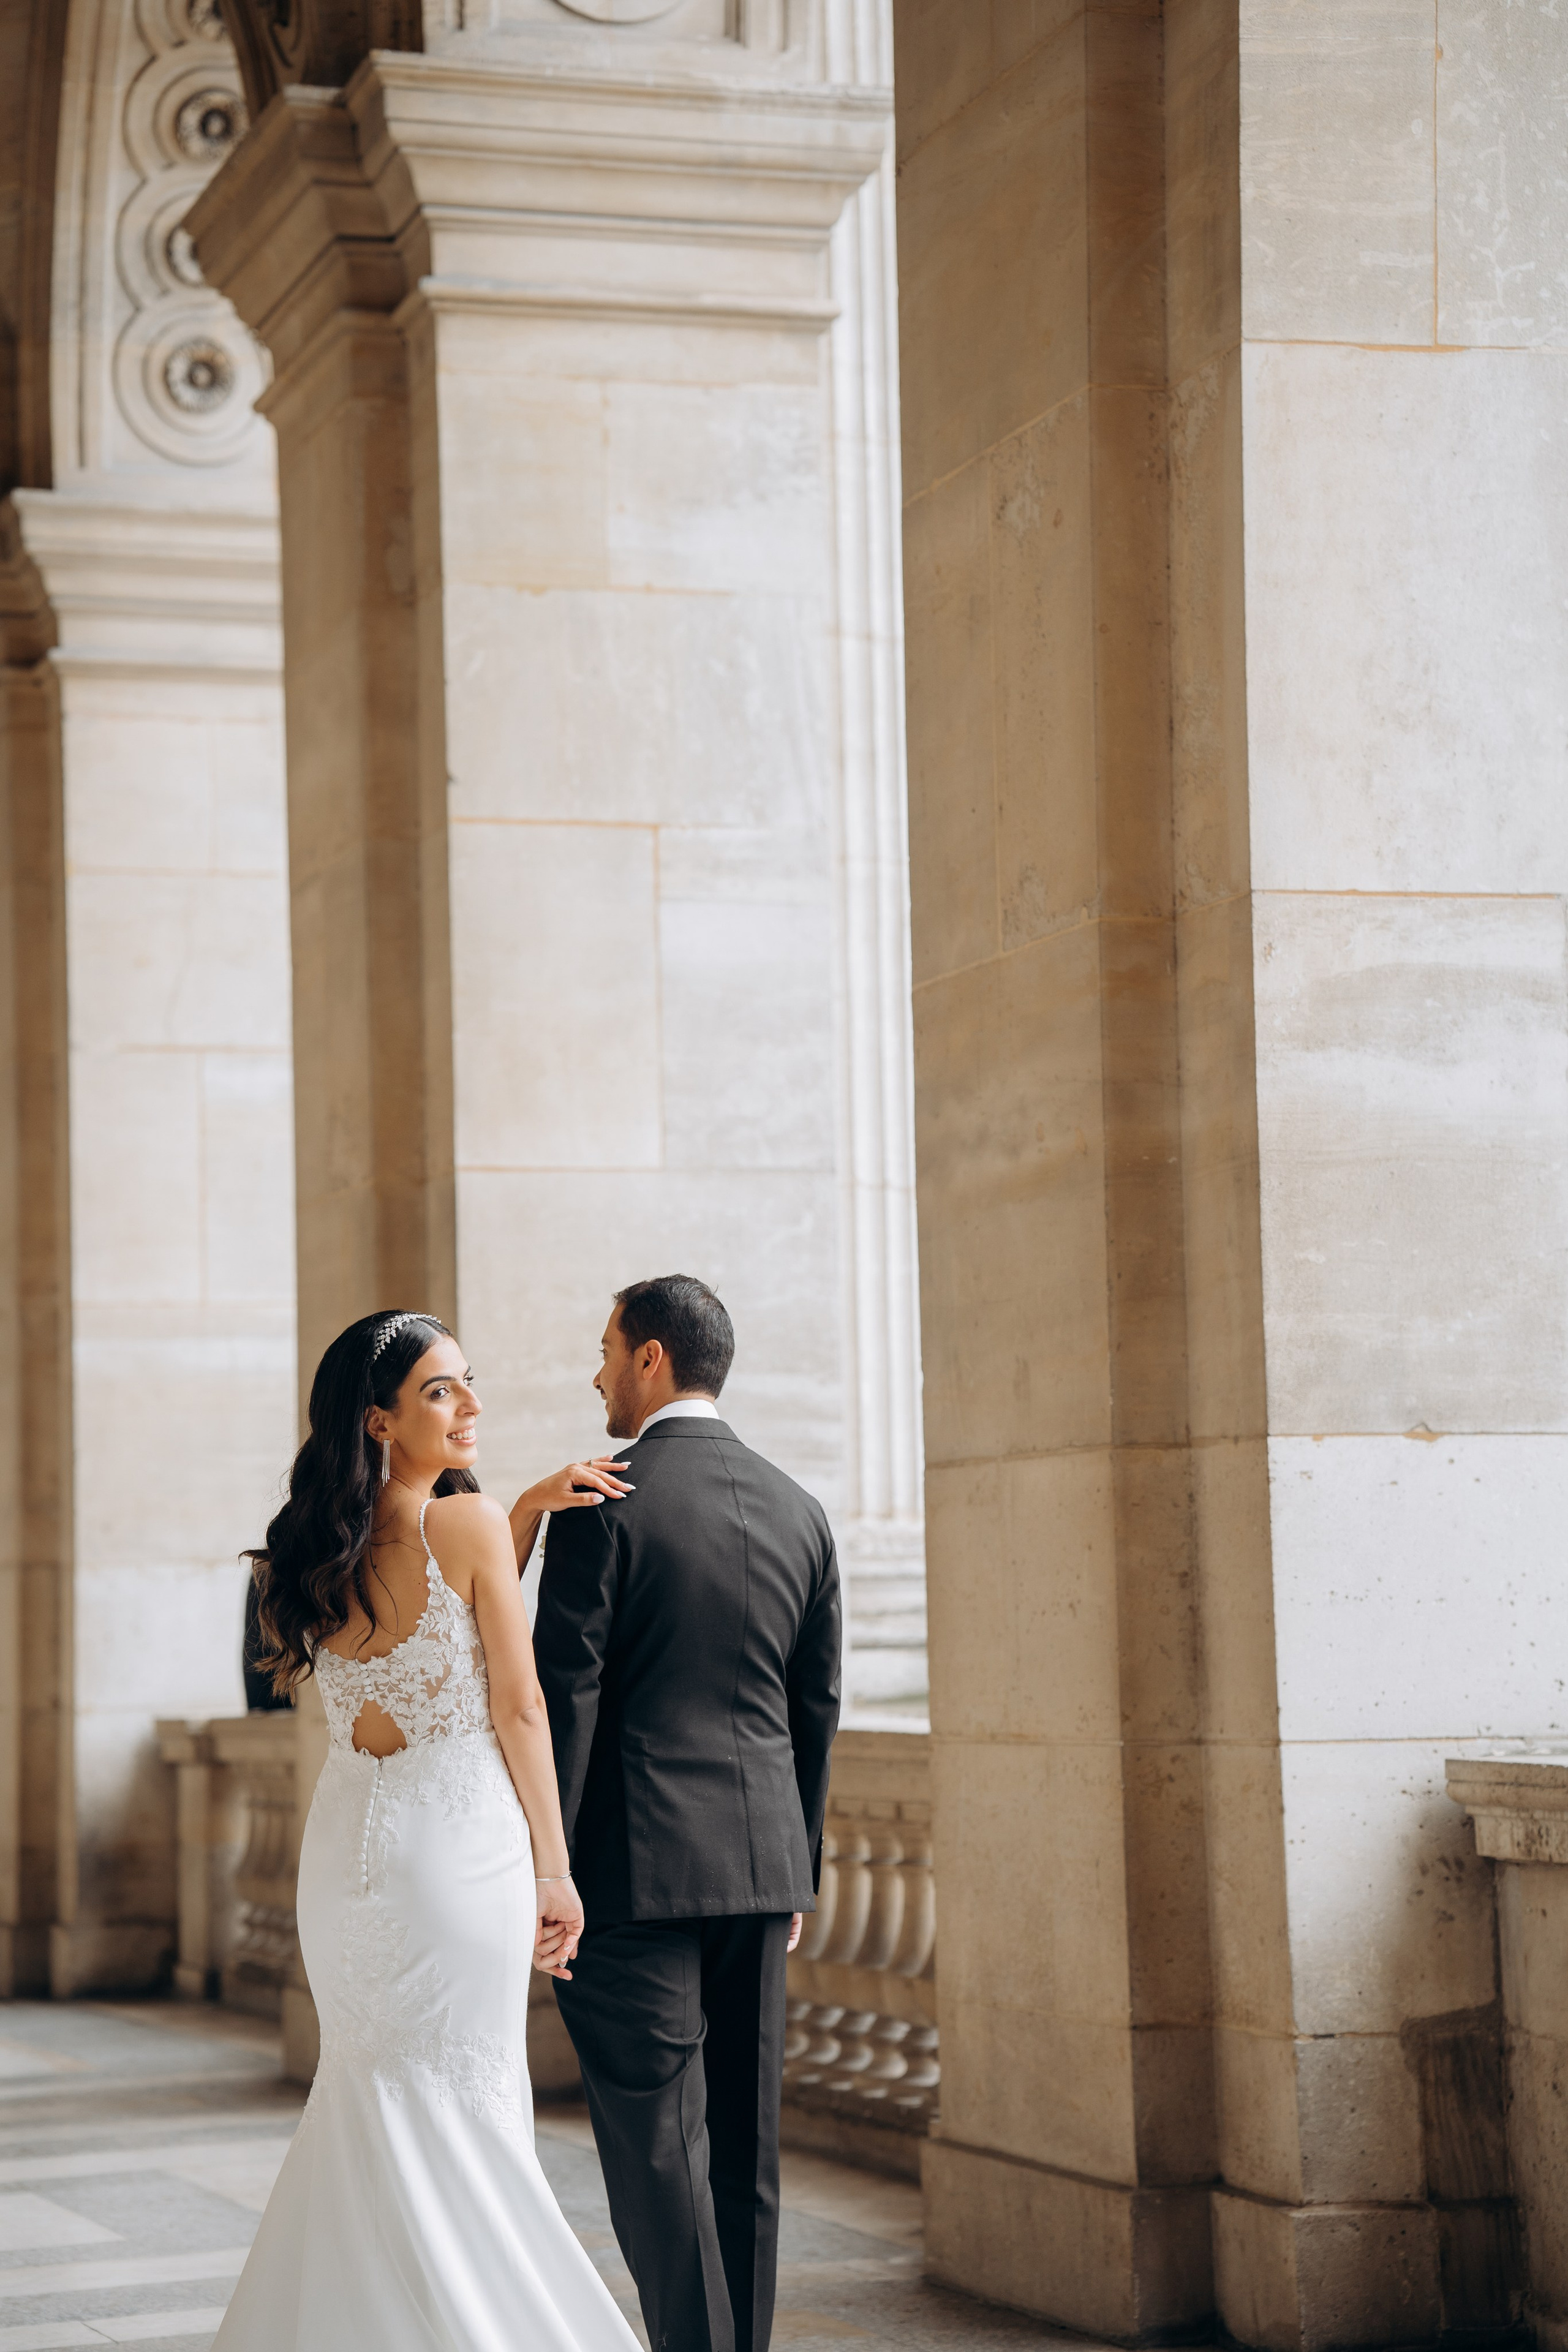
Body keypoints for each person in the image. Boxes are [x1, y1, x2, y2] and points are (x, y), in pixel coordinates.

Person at [214, 1308, 643, 2352]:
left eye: (466, 1382)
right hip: (456, 1850)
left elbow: (435, 1617)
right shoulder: (468, 1524)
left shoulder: (311, 1549)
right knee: (466, 2110)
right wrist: (557, 1868)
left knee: (372, 2095)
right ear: (379, 1422)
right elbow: (517, 1702)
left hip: (349, 1853)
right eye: (442, 1392)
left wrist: (523, 1512)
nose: (471, 1406)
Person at [535, 1274, 842, 2352]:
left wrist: (547, 1869)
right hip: (761, 1873)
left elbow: (559, 1704)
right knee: (745, 2152)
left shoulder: (601, 1501)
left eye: (608, 1350)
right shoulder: (800, 1508)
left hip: (632, 1878)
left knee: (661, 2152)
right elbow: (816, 1708)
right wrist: (797, 1862)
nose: (598, 1373)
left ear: (652, 1358)